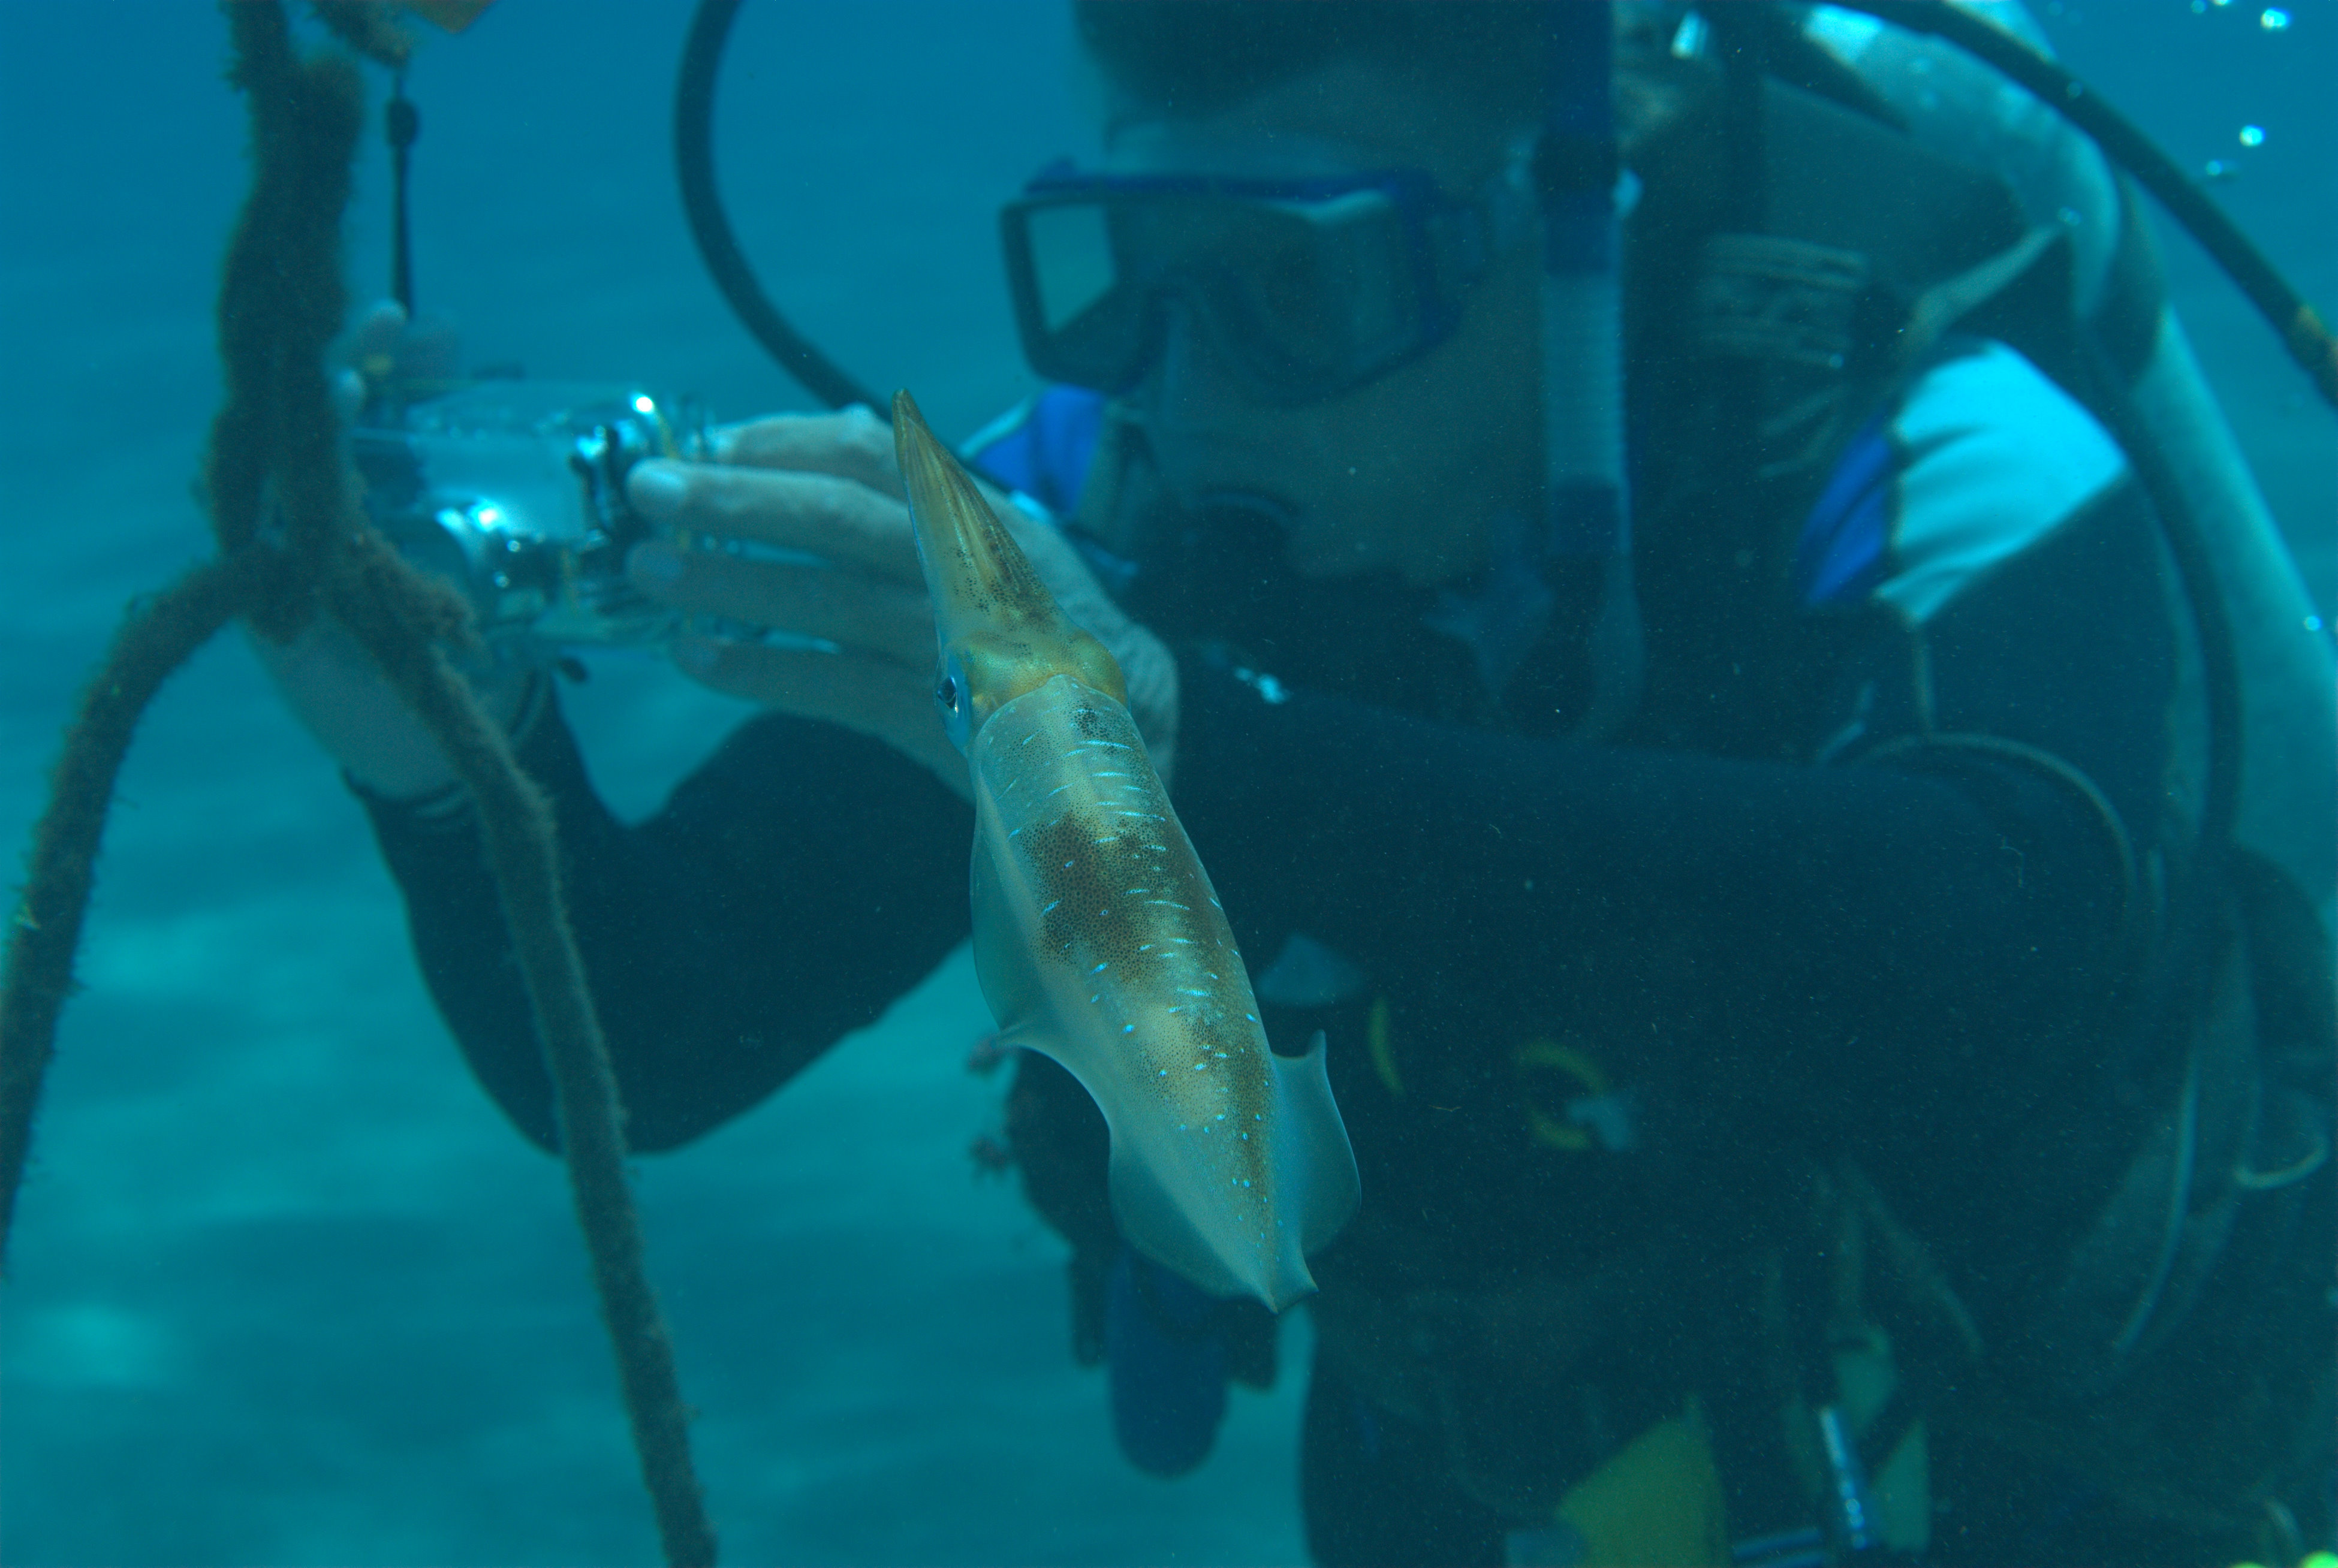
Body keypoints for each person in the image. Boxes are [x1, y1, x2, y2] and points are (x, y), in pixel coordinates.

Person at [264, 4, 2334, 1564]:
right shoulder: (1108, 502)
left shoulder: (1928, 447)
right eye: (1124, 275)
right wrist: (444, 759)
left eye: (1290, 284)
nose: (1182, 388)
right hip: (1466, 1468)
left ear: (1572, 236)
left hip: (2068, 1473)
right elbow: (650, 1030)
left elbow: (1992, 954)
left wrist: (1181, 748)